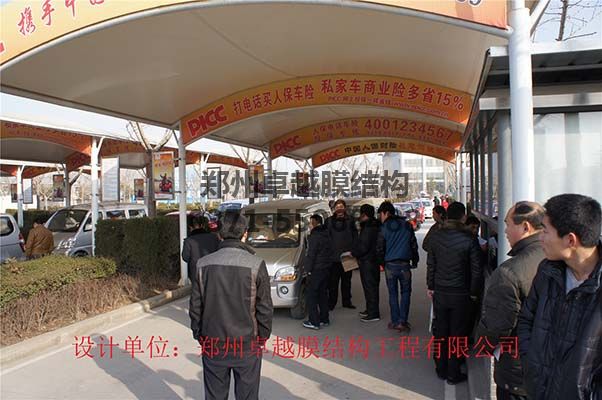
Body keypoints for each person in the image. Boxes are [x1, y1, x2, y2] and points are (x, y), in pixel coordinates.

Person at [517, 194, 602, 400]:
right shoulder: (548, 271)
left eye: (545, 231)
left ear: (570, 240)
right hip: (540, 390)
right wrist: (530, 362)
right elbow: (527, 319)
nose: (540, 237)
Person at [189, 212, 273, 400]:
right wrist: (262, 337)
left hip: (213, 343)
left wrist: (199, 335)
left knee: (215, 395)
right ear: (245, 234)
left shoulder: (203, 264)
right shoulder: (256, 264)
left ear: (219, 234)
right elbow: (265, 308)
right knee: (247, 395)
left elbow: (195, 307)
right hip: (247, 344)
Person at [476, 201, 545, 400]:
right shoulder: (557, 259)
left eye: (507, 224)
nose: (504, 230)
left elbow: (496, 326)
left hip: (517, 374)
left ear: (525, 226)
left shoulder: (509, 272)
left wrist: (483, 346)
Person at [426, 201, 481, 385]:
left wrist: (431, 286)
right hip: (461, 293)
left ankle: (440, 369)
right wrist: (473, 293)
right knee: (457, 334)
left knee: (441, 331)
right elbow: (476, 270)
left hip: (440, 291)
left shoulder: (436, 236)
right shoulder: (469, 238)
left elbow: (431, 264)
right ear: (463, 217)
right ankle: (453, 372)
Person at [378, 201, 419, 333]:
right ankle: (403, 321)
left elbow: (380, 247)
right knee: (406, 292)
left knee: (393, 293)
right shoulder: (406, 225)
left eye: (381, 214)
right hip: (405, 265)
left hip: (390, 265)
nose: (380, 217)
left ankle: (395, 321)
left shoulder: (384, 227)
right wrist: (415, 260)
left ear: (386, 213)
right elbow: (413, 244)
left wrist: (382, 262)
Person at [303, 214, 334, 330]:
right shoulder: (327, 234)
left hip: (316, 269)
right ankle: (324, 319)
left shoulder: (314, 236)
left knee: (311, 296)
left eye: (311, 223)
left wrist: (308, 270)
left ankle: (314, 321)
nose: (309, 226)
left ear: (315, 223)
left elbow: (311, 255)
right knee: (323, 295)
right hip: (326, 268)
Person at [352, 204, 382, 322]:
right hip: (372, 261)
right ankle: (370, 309)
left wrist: (353, 253)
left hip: (368, 262)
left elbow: (363, 247)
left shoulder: (369, 228)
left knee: (370, 288)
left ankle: (373, 313)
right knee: (371, 287)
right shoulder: (374, 225)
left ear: (364, 214)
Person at [325, 199, 358, 310]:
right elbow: (326, 238)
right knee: (333, 283)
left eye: (341, 207)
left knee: (346, 281)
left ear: (345, 208)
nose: (339, 209)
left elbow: (355, 236)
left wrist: (353, 251)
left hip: (348, 256)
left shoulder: (350, 220)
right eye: (337, 207)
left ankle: (347, 301)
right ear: (334, 209)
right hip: (333, 257)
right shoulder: (329, 221)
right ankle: (331, 303)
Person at [182, 214, 220, 285]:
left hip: (196, 272)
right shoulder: (213, 237)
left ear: (190, 227)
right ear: (202, 226)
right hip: (213, 270)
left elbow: (185, 257)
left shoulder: (188, 241)